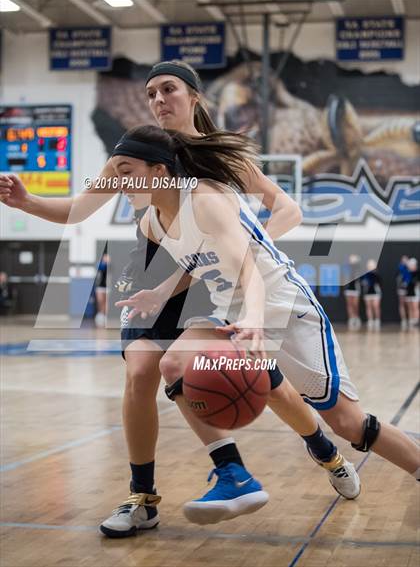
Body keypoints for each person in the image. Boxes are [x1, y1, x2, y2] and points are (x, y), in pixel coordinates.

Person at [0, 61, 358, 537]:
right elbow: (75, 211)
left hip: (211, 276)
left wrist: (249, 251)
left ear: (194, 96)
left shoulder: (221, 159)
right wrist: (27, 203)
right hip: (152, 271)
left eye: (168, 89)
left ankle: (321, 445)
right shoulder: (134, 150)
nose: (158, 100)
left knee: (264, 383)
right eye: (150, 93)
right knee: (142, 370)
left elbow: (286, 208)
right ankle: (146, 495)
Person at [111, 125, 420, 517]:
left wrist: (255, 318)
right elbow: (196, 261)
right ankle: (233, 475)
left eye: (125, 171)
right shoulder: (151, 222)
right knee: (174, 364)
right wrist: (159, 293)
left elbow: (248, 271)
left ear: (159, 171)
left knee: (348, 423)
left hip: (282, 304)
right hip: (230, 310)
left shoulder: (205, 198)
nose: (116, 183)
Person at [360, 259, 382, 330]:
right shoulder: (364, 274)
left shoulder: (376, 274)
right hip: (367, 293)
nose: (370, 267)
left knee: (376, 306)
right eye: (369, 266)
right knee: (368, 307)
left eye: (371, 266)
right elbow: (362, 282)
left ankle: (377, 320)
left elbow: (380, 283)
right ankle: (370, 320)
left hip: (375, 293)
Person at [343, 255, 361, 330]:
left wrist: (356, 261)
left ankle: (356, 317)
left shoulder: (357, 268)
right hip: (348, 289)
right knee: (349, 304)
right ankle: (351, 319)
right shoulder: (347, 268)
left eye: (353, 259)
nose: (352, 260)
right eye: (351, 259)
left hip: (355, 289)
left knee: (355, 304)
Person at [94, 252, 110, 328]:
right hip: (100, 286)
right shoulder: (100, 265)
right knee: (100, 301)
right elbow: (100, 268)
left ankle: (104, 316)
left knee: (106, 302)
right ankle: (100, 315)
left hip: (107, 287)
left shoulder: (110, 265)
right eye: (105, 257)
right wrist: (104, 262)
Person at [404, 258, 419, 329]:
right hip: (408, 292)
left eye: (412, 265)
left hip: (415, 292)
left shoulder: (418, 273)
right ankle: (411, 320)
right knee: (410, 307)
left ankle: (416, 321)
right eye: (410, 265)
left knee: (415, 307)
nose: (411, 266)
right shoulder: (407, 273)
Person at [396, 255, 410, 330]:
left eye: (406, 260)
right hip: (401, 289)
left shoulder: (410, 268)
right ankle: (404, 320)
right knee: (402, 304)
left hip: (410, 290)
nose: (404, 261)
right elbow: (399, 277)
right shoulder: (400, 267)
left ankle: (410, 319)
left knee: (409, 305)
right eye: (403, 260)